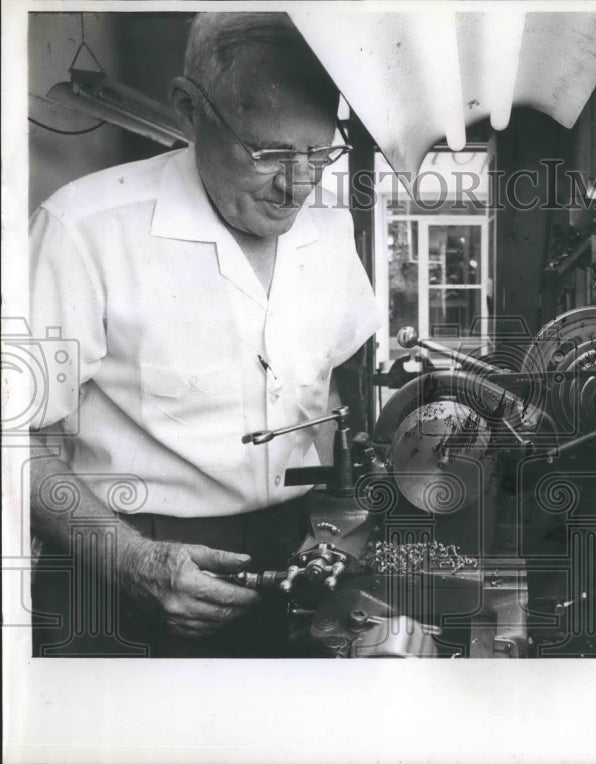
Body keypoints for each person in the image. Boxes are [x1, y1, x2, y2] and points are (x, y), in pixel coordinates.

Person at [28, 12, 380, 657]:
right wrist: (132, 560)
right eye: (268, 153)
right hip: (123, 566)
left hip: (291, 556)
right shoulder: (85, 227)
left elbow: (328, 391)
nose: (298, 185)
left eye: (318, 153)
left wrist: (335, 519)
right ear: (189, 110)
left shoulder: (326, 225)